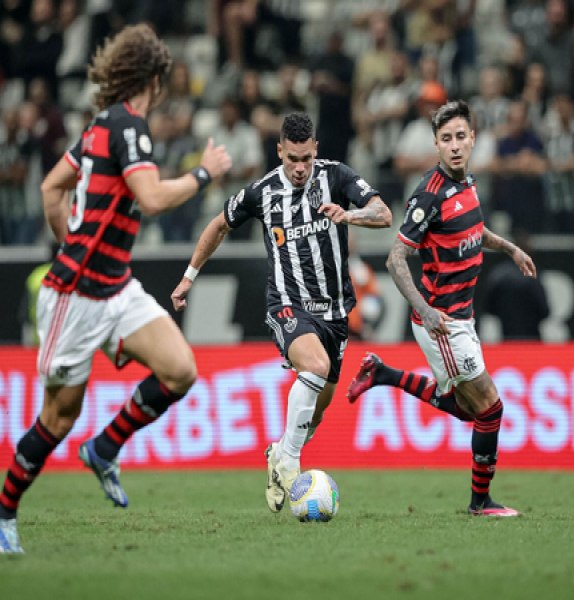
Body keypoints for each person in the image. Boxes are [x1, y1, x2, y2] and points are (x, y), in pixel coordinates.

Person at [0, 23, 232, 554]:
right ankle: (4, 510)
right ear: (155, 78)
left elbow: (51, 186)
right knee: (57, 419)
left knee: (181, 370)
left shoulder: (100, 126)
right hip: (75, 298)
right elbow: (149, 199)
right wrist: (204, 173)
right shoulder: (128, 127)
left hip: (114, 288)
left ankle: (104, 448)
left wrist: (68, 238)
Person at [170, 112, 392, 514]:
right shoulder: (261, 191)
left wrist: (351, 215)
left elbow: (383, 213)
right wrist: (189, 276)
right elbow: (218, 225)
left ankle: (281, 453)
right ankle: (289, 464)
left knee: (315, 414)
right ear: (279, 152)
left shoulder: (337, 177)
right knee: (316, 365)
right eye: (292, 158)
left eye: (306, 157)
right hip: (288, 304)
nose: (300, 167)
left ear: (316, 150)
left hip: (337, 311)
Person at [347, 100, 536, 517]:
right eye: (446, 139)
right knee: (490, 407)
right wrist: (426, 311)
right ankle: (480, 502)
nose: (454, 146)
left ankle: (383, 374)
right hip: (442, 321)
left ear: (473, 140)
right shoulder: (427, 196)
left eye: (461, 137)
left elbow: (472, 229)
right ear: (435, 143)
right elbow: (395, 259)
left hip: (462, 317)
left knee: (469, 410)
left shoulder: (466, 184)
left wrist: (509, 248)